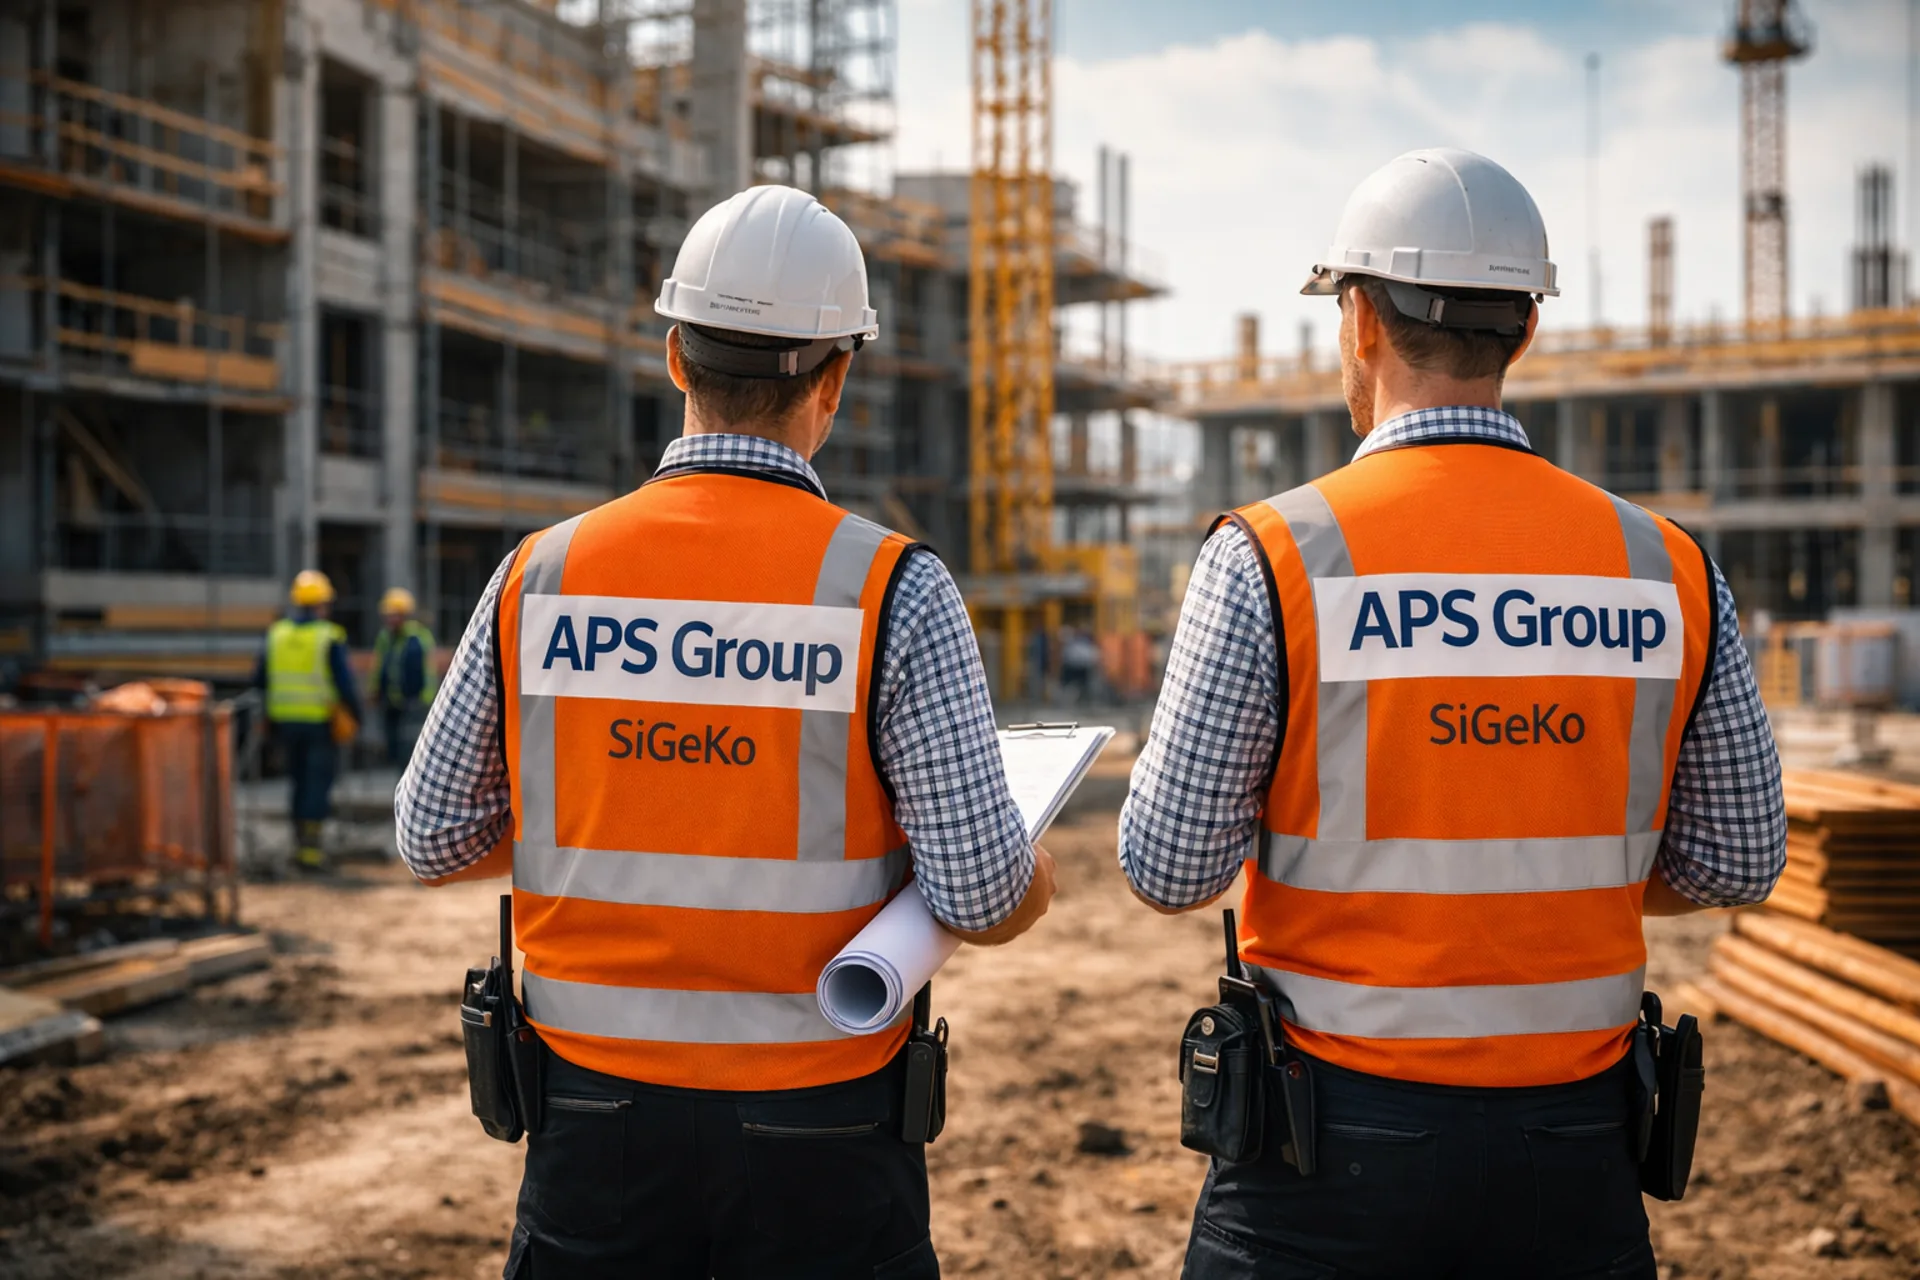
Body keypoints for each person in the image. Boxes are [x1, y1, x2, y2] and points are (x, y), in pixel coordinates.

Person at [1119, 148, 1786, 1280]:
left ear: (1360, 317)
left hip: (1325, 1149)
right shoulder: (1664, 566)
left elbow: (1169, 863)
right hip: (1571, 1153)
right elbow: (1736, 858)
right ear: (1526, 329)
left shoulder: (1274, 556)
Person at [395, 183, 1055, 1280]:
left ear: (673, 356)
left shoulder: (540, 574)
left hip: (590, 1120)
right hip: (821, 1126)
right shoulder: (892, 588)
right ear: (836, 378)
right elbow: (982, 896)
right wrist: (1028, 873)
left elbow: (431, 837)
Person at [256, 569, 362, 872]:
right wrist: (356, 715)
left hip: (284, 723)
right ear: (322, 604)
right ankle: (311, 854)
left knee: (297, 782)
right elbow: (344, 684)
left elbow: (259, 679)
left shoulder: (276, 634)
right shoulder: (328, 636)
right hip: (319, 723)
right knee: (317, 784)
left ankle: (298, 844)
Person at [370, 587, 436, 766]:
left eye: (394, 615)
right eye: (388, 615)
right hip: (392, 702)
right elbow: (381, 667)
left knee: (409, 748)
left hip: (414, 702)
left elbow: (421, 671)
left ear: (405, 615)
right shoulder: (385, 637)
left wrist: (419, 698)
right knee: (395, 748)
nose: (390, 619)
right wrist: (376, 691)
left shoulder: (416, 638)